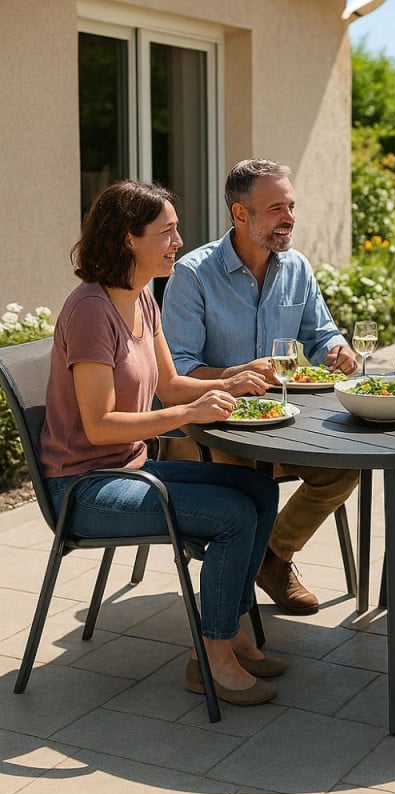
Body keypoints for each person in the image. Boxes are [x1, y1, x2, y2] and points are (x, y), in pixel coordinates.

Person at [39, 180, 286, 707]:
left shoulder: (143, 297)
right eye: (167, 232)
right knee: (232, 516)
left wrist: (232, 379)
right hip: (84, 488)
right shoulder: (89, 311)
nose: (179, 242)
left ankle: (232, 627)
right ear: (129, 239)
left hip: (129, 469)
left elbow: (171, 385)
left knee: (259, 491)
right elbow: (100, 425)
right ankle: (211, 656)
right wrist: (187, 414)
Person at [161, 158, 360, 615]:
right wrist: (234, 374)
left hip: (283, 424)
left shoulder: (297, 267)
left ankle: (273, 556)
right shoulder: (193, 275)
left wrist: (338, 348)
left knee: (344, 468)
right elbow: (179, 372)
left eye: (290, 206)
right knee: (247, 485)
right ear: (240, 214)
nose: (288, 218)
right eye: (275, 208)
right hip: (209, 431)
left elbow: (321, 333)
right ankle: (231, 604)